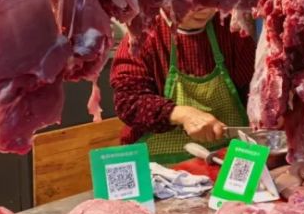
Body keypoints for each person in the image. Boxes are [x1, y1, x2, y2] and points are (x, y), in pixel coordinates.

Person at [110, 9, 257, 164]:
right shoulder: (143, 33)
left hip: (227, 160)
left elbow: (252, 88)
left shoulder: (230, 28)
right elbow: (128, 101)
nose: (204, 8)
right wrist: (181, 114)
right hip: (158, 168)